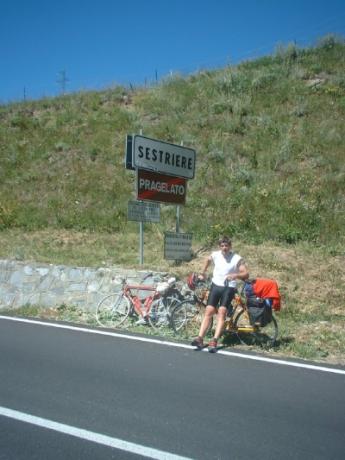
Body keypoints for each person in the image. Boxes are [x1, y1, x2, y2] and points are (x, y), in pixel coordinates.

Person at [191, 236, 249, 353]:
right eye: (222, 246)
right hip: (216, 286)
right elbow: (207, 259)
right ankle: (200, 338)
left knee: (222, 312)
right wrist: (203, 272)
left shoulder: (236, 258)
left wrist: (235, 275)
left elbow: (246, 273)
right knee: (208, 311)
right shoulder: (216, 254)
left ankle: (214, 340)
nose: (224, 248)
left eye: (226, 246)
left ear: (230, 246)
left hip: (229, 287)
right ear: (219, 246)